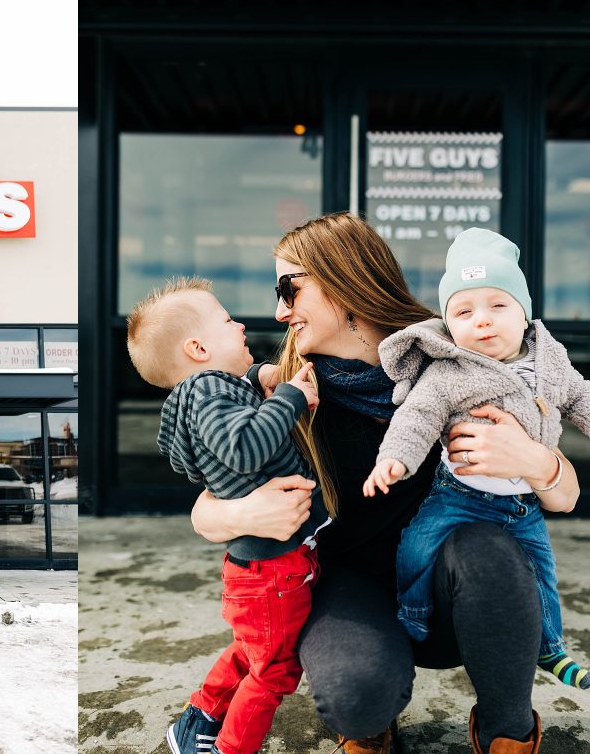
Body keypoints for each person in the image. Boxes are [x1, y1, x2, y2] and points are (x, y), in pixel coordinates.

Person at [189, 213, 579, 754]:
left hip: (455, 588)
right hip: (350, 590)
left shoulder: (455, 350)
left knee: (489, 549)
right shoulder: (286, 395)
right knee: (357, 692)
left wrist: (536, 461)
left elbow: (566, 497)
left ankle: (505, 732)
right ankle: (371, 729)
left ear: (343, 278)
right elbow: (204, 508)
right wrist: (239, 516)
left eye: (289, 289)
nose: (280, 311)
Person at [362, 228, 590, 690]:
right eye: (464, 312)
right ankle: (413, 613)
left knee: (540, 575)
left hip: (523, 502)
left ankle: (552, 650)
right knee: (415, 547)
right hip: (460, 496)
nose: (482, 321)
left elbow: (581, 396)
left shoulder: (551, 361)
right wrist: (395, 460)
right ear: (448, 326)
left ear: (524, 314)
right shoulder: (450, 371)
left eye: (498, 306)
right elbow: (417, 417)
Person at [126, 276, 328, 754]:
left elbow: (223, 430)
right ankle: (231, 748)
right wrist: (291, 398)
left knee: (251, 649)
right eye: (226, 320)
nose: (239, 325)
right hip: (273, 566)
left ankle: (197, 719)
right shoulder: (206, 391)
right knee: (275, 668)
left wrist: (258, 379)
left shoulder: (201, 395)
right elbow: (243, 446)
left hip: (259, 567)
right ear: (198, 348)